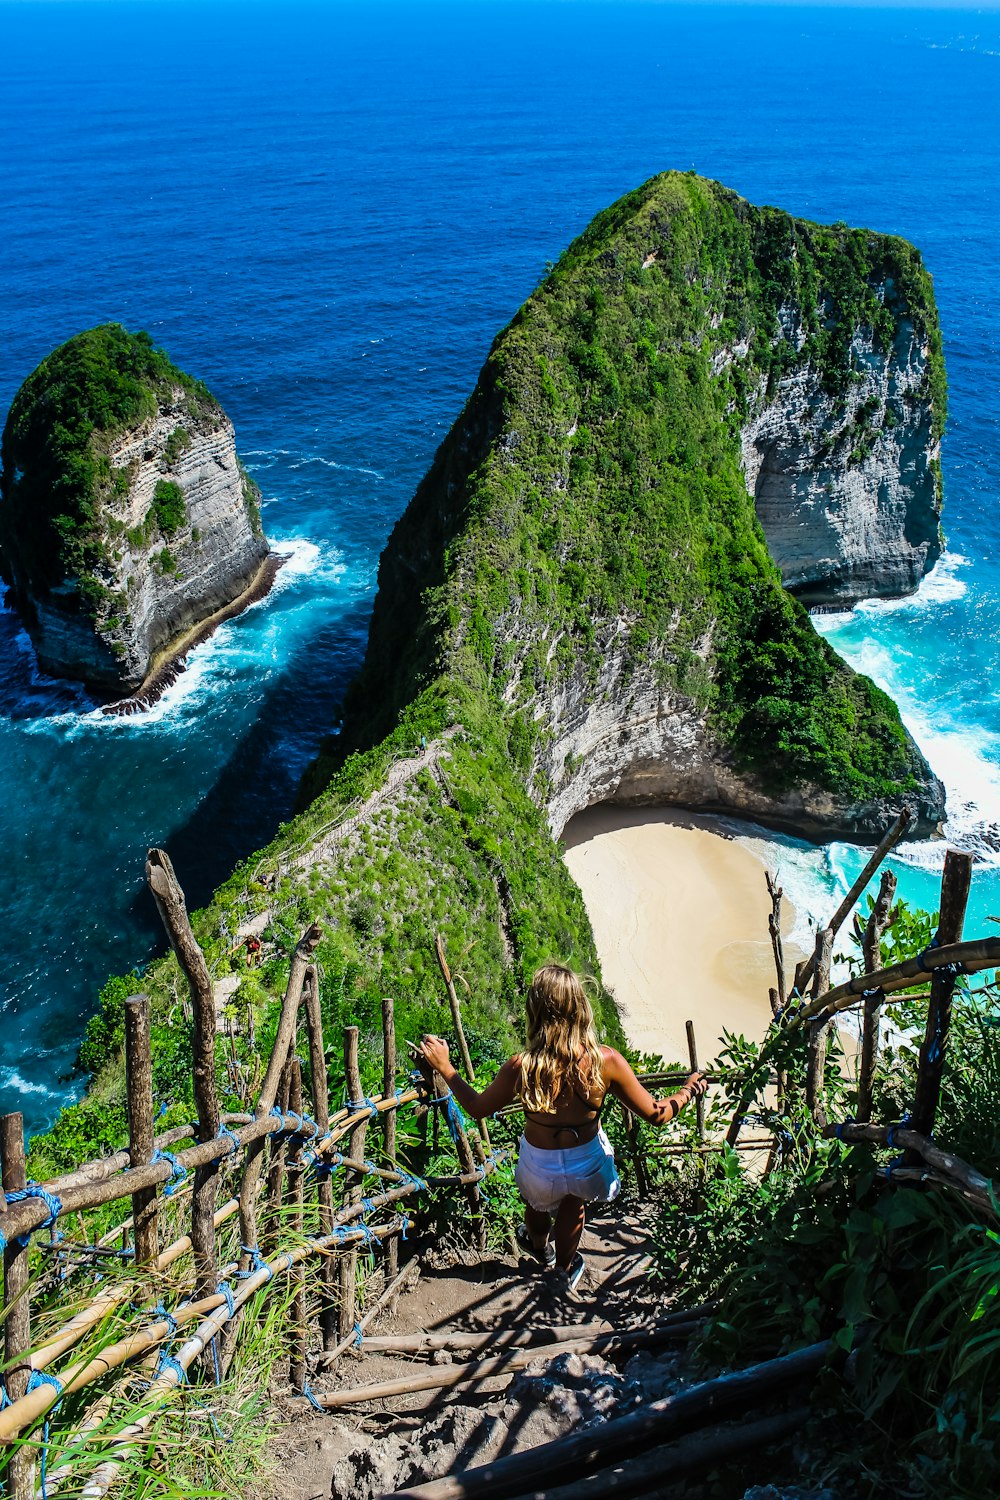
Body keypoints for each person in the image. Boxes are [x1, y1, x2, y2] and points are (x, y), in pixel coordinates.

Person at [419, 962, 707, 1292]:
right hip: (587, 1160)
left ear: (536, 1012)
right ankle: (563, 1270)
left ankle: (541, 1249)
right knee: (574, 1203)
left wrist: (446, 1067)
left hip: (539, 1164)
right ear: (580, 1008)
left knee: (537, 1204)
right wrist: (688, 1090)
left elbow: (477, 1108)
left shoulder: (523, 1066)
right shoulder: (605, 1061)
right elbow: (657, 1114)